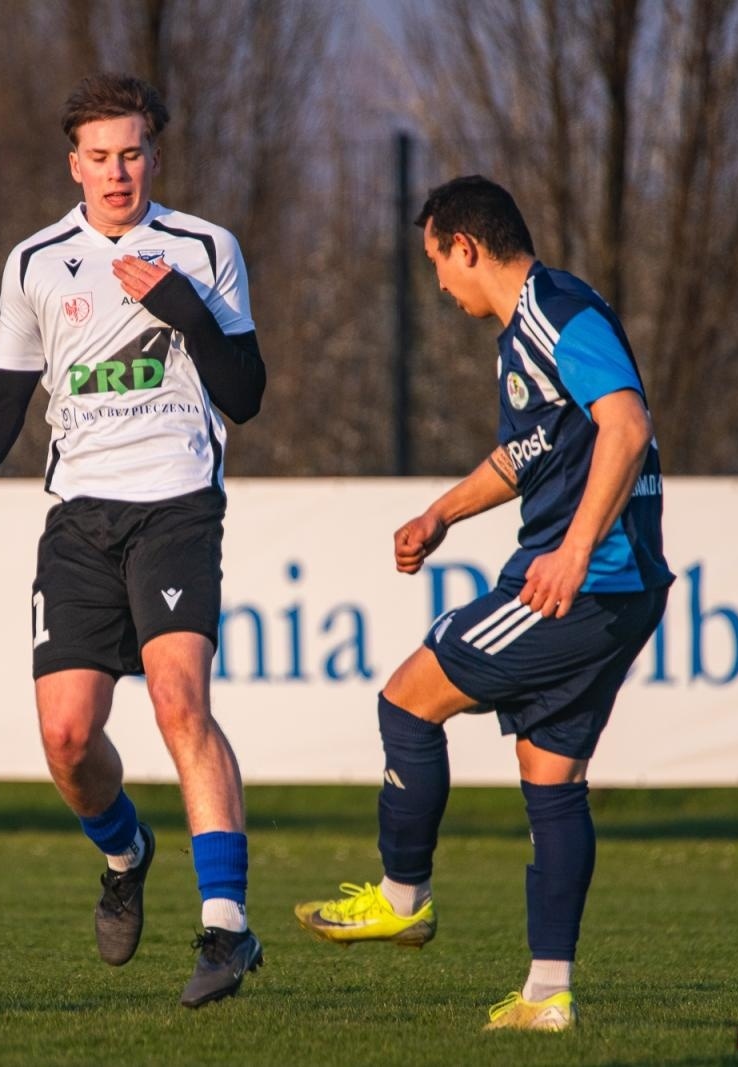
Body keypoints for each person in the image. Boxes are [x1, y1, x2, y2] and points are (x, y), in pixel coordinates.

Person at [0, 73, 267, 1009]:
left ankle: (226, 925)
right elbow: (2, 404)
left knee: (180, 700)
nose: (118, 172)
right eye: (100, 157)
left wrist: (187, 310)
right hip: (78, 519)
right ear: (74, 164)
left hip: (177, 506)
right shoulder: (35, 261)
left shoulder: (205, 248)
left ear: (155, 154)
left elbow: (245, 394)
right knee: (68, 737)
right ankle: (125, 852)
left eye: (133, 153)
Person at [293, 175, 671, 1031]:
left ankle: (402, 896)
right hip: (617, 587)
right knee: (552, 780)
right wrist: (441, 513)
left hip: (584, 581)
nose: (437, 282)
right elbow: (524, 455)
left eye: (437, 261)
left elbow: (628, 426)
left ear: (465, 246)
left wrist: (574, 551)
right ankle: (547, 995)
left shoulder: (558, 314)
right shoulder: (527, 334)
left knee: (407, 699)